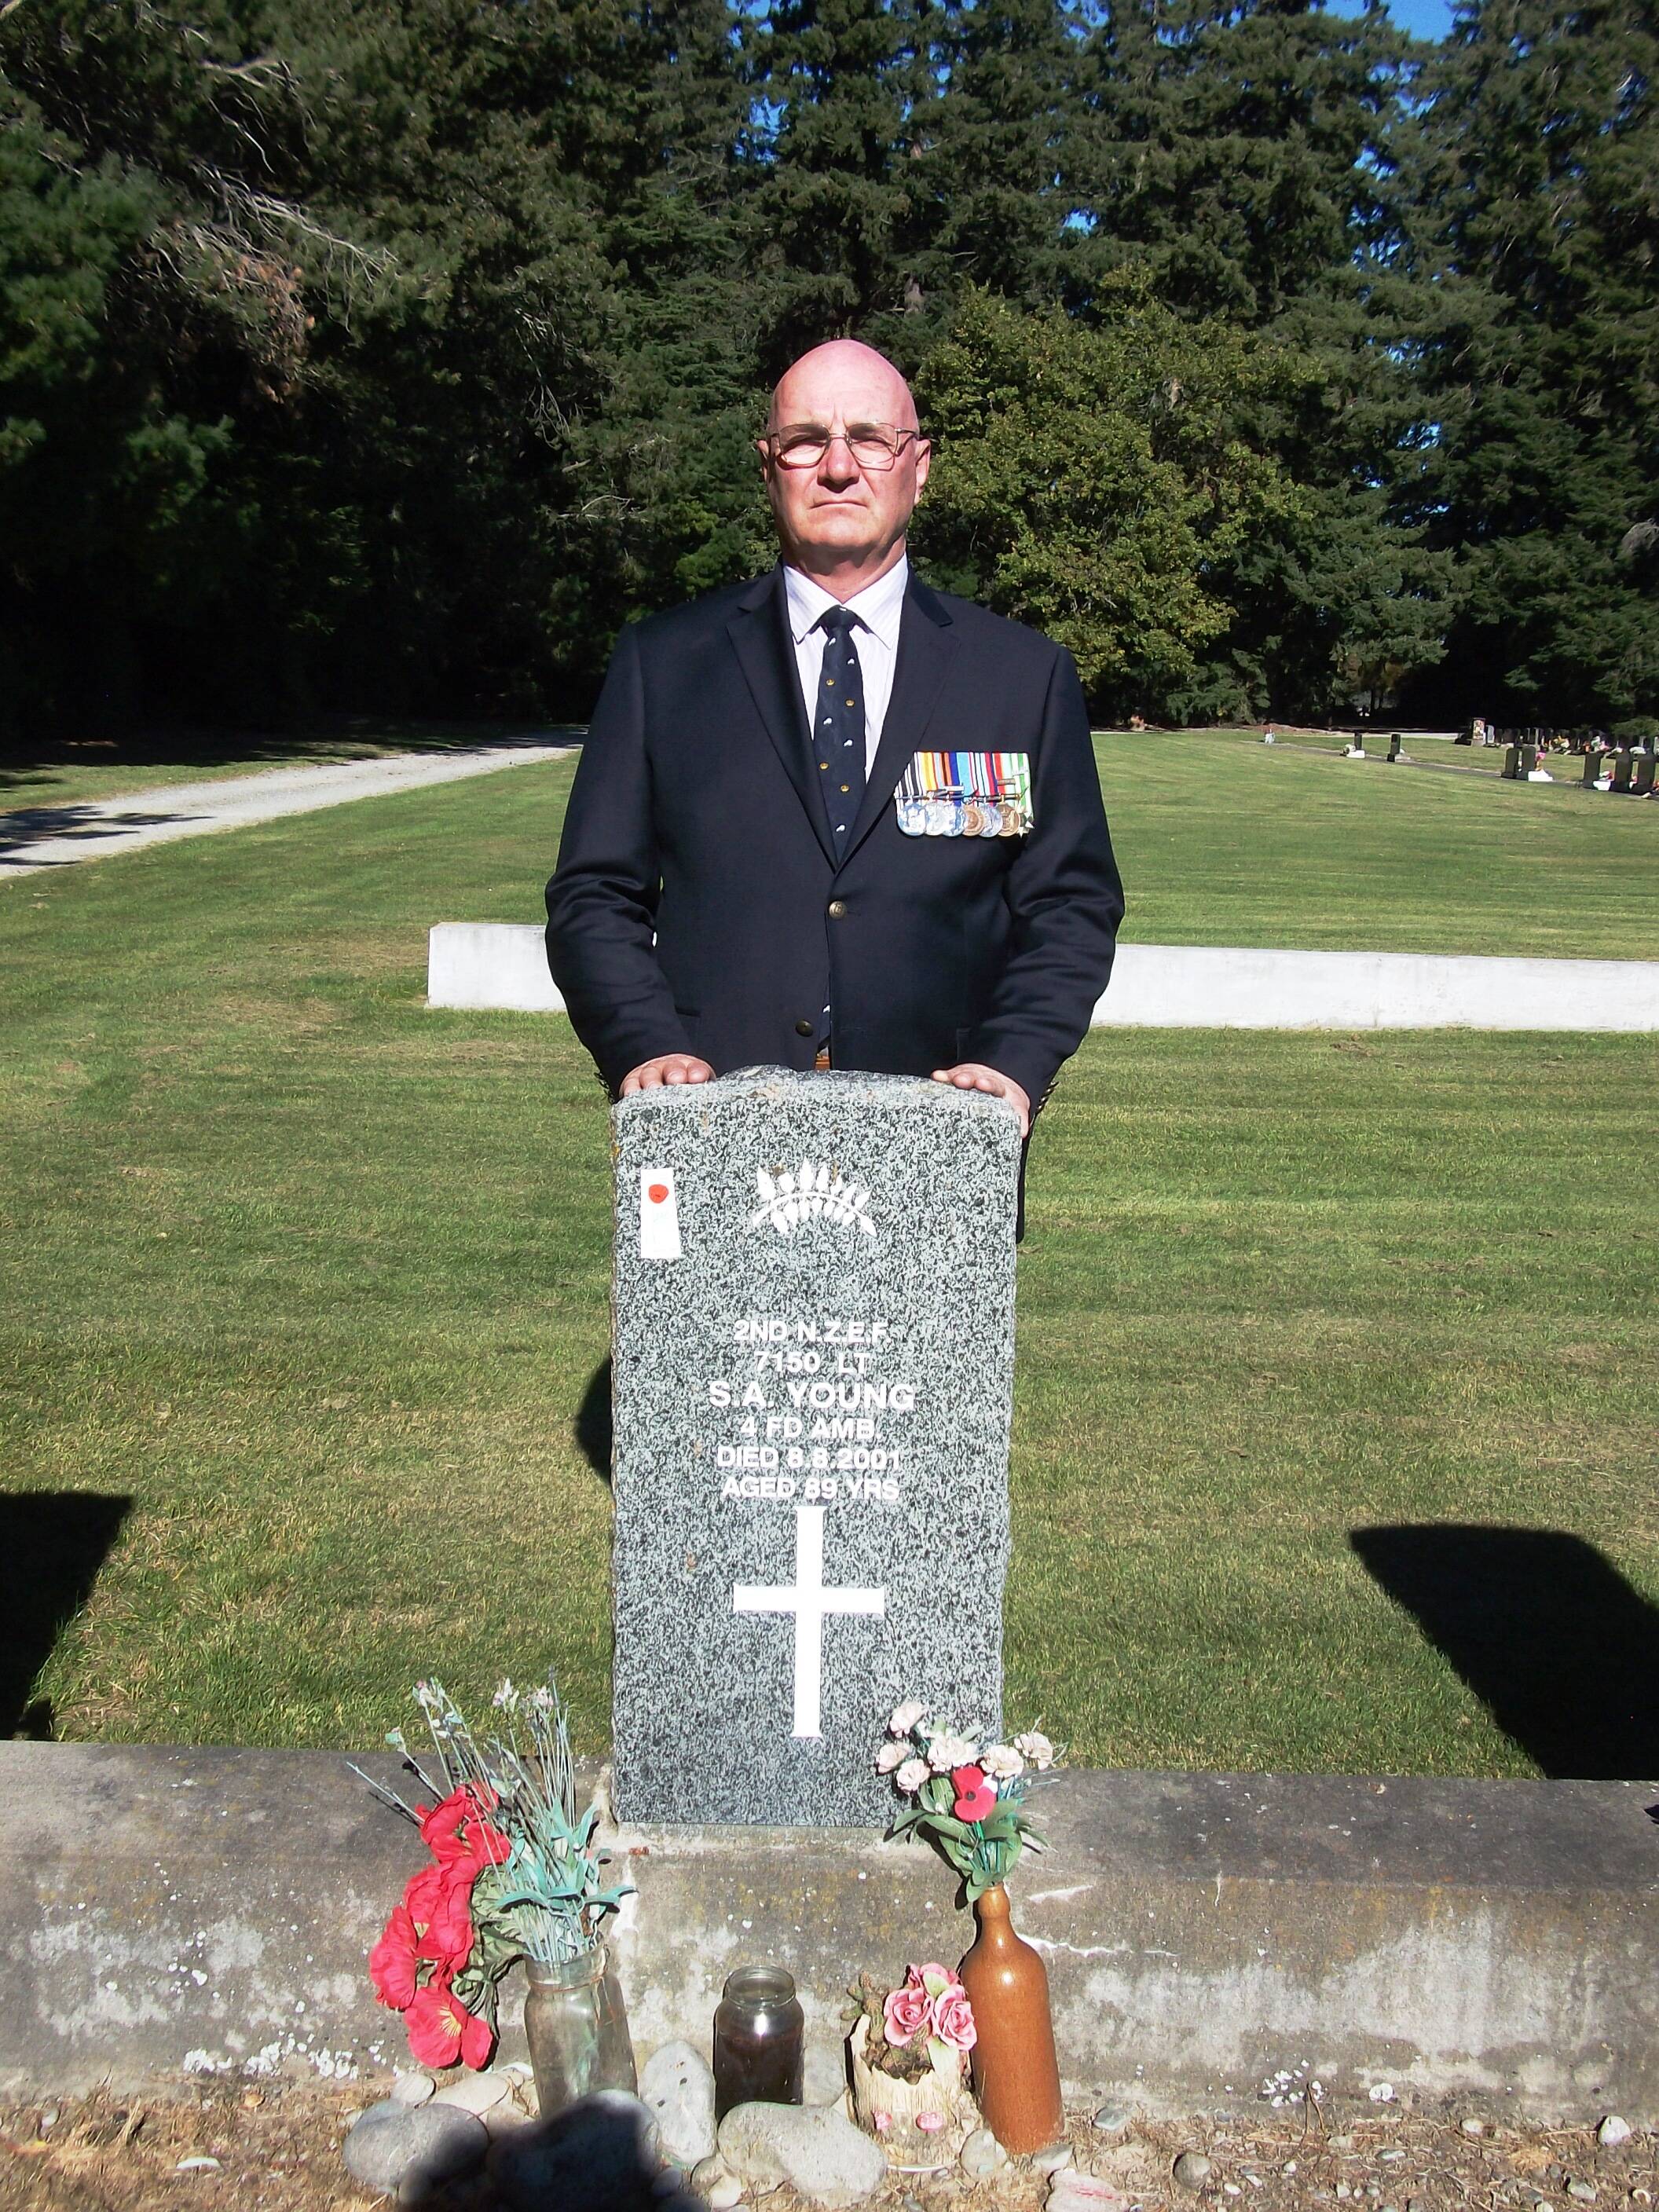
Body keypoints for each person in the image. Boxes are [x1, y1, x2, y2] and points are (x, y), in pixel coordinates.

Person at [544, 339, 1123, 1148]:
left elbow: (1071, 905)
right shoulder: (665, 664)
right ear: (768, 465)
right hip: (710, 1125)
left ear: (919, 467)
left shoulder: (1021, 677)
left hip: (944, 1134)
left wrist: (1015, 1062)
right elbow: (593, 896)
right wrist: (646, 1045)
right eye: (807, 440)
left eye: (872, 439)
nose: (839, 467)